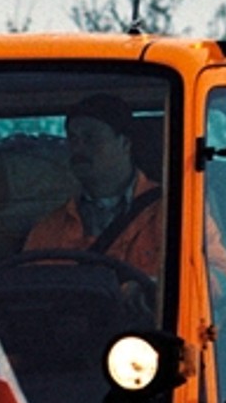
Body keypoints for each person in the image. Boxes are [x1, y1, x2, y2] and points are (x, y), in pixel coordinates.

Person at [23, 94, 165, 281]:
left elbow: (211, 274)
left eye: (91, 138)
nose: (79, 149)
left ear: (125, 143)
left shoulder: (174, 213)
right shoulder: (48, 230)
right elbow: (27, 291)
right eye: (73, 139)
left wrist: (152, 289)